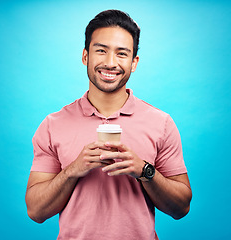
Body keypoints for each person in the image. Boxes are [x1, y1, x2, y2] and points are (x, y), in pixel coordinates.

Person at [25, 9, 192, 240]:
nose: (110, 63)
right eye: (101, 51)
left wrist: (144, 171)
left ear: (134, 62)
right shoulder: (53, 124)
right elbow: (36, 211)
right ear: (85, 56)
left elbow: (181, 208)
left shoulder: (161, 123)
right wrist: (73, 170)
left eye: (122, 53)